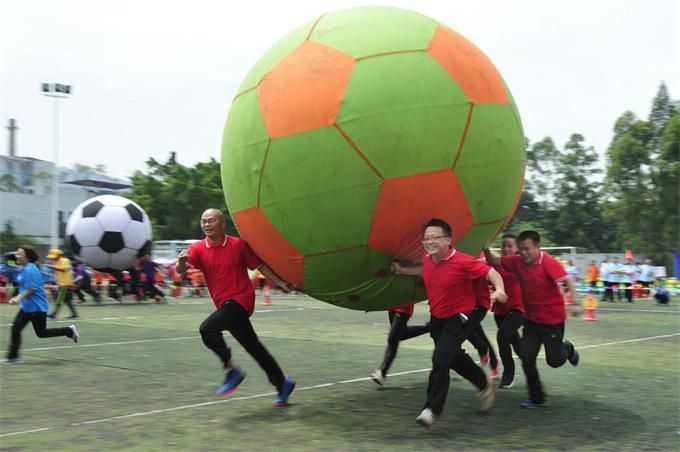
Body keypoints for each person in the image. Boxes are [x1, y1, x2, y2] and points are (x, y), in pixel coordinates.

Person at [390, 218, 507, 427]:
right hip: (438, 317)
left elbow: (491, 272)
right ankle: (483, 383)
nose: (429, 242)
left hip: (461, 316)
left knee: (440, 358)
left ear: (448, 240)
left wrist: (499, 290)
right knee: (452, 357)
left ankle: (431, 409)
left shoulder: (463, 261)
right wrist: (403, 270)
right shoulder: (428, 259)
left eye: (435, 237)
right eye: (426, 238)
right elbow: (424, 269)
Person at [175, 208, 296, 406]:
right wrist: (181, 262)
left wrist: (280, 283)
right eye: (204, 221)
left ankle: (232, 370)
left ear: (223, 224)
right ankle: (282, 383)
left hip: (241, 300)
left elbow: (259, 266)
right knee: (254, 347)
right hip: (224, 305)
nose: (207, 224)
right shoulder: (198, 249)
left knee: (207, 329)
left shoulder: (238, 245)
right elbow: (180, 270)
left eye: (211, 220)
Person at [485, 230, 580, 408]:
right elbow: (493, 260)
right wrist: (485, 246)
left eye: (527, 249)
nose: (524, 253)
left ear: (537, 247)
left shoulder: (547, 261)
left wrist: (575, 303)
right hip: (531, 321)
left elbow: (567, 279)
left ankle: (567, 348)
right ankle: (537, 398)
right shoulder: (516, 261)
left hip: (552, 321)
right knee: (527, 357)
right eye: (521, 249)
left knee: (553, 361)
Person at [3, 246, 79, 364]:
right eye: (17, 253)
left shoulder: (30, 269)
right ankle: (69, 331)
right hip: (28, 307)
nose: (16, 256)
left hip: (36, 307)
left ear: (27, 257)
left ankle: (13, 358)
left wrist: (18, 298)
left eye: (19, 254)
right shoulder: (25, 268)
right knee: (34, 331)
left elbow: (31, 289)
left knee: (32, 331)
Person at [484, 232, 524, 389]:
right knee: (517, 344)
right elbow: (485, 263)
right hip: (500, 311)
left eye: (510, 246)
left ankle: (509, 373)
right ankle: (530, 363)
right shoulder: (496, 263)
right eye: (503, 246)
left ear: (517, 248)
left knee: (502, 337)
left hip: (518, 309)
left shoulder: (520, 262)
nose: (506, 249)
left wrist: (485, 248)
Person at [371, 301, 431, 386]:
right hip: (392, 305)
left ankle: (382, 373)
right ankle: (430, 326)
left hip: (404, 307)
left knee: (392, 340)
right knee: (402, 334)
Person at [466, 276, 499, 378]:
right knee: (480, 335)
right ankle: (494, 364)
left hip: (480, 304)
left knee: (465, 327)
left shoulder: (480, 267)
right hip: (468, 305)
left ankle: (482, 350)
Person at [46, 249, 78, 319]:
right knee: (67, 300)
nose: (52, 258)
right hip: (62, 284)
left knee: (59, 299)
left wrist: (51, 266)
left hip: (66, 284)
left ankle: (53, 314)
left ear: (59, 255)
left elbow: (64, 270)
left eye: (54, 256)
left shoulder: (65, 260)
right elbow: (57, 273)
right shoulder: (56, 262)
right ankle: (74, 314)